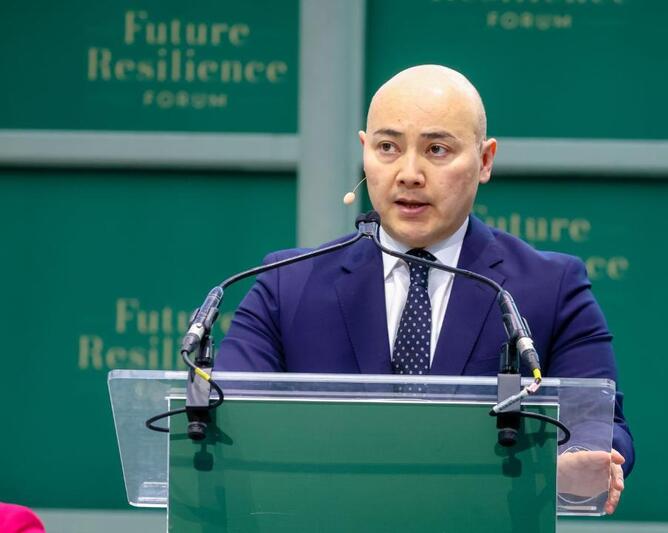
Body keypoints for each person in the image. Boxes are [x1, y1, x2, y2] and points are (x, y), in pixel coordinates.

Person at [217, 65, 633, 513]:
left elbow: (598, 421)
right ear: (365, 151)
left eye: (436, 149)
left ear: (485, 160)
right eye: (388, 147)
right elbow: (226, 418)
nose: (409, 173)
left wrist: (577, 461)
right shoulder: (287, 284)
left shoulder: (549, 287)